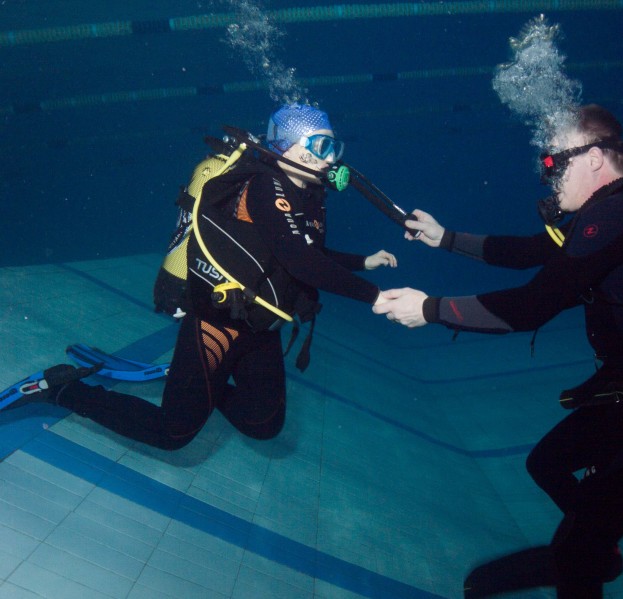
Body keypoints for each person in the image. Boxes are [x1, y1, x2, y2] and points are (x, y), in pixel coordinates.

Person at [374, 104, 623, 597]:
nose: (547, 175)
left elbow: (532, 306)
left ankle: (586, 552)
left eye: (554, 163)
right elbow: (530, 252)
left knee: (576, 557)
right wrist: (445, 238)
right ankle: (596, 547)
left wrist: (430, 308)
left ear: (594, 158)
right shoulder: (616, 213)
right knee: (547, 464)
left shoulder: (620, 214)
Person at [10, 103, 396, 450]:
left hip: (261, 327)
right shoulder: (265, 187)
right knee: (171, 434)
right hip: (219, 323)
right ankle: (63, 391)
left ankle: (197, 383)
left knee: (263, 424)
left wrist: (363, 261)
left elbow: (303, 252)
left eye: (334, 147)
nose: (332, 158)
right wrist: (375, 296)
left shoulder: (308, 197)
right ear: (294, 149)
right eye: (323, 147)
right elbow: (299, 260)